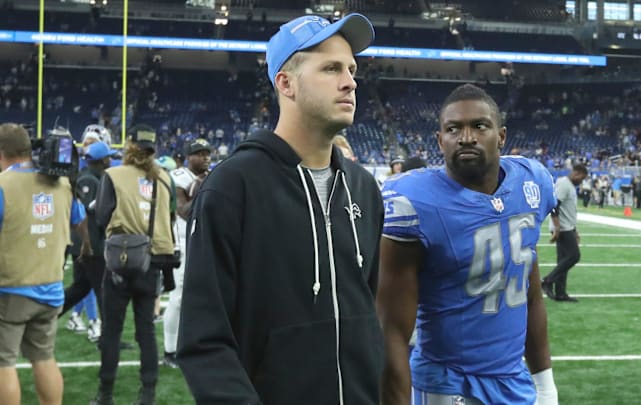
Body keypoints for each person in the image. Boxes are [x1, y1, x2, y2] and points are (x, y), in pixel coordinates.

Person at [177, 13, 384, 404]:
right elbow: (204, 340)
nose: (350, 82)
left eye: (352, 69)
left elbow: (367, 313)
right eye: (331, 68)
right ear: (285, 83)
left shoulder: (364, 189)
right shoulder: (232, 187)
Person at [378, 84, 559, 405]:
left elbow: (530, 294)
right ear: (440, 140)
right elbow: (391, 329)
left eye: (479, 125)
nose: (466, 137)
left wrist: (544, 383)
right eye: (453, 128)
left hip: (513, 380)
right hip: (447, 383)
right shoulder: (415, 200)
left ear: (501, 136)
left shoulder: (532, 181)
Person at [0, 123, 88, 405]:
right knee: (44, 358)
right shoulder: (62, 183)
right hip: (51, 286)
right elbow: (79, 220)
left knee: (3, 363)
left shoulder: (4, 185)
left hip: (11, 289)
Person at [92, 124, 176, 405]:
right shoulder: (164, 177)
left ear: (130, 146)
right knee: (146, 332)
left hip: (120, 260)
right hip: (151, 262)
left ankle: (105, 394)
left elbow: (102, 216)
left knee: (112, 331)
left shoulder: (113, 175)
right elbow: (170, 217)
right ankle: (148, 395)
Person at [162, 138, 212, 369]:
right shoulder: (178, 177)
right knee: (179, 296)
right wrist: (203, 184)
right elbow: (184, 211)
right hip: (182, 242)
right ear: (187, 157)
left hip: (204, 240)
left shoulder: (211, 174)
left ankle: (198, 344)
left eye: (207, 153)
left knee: (206, 296)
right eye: (199, 153)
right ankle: (170, 350)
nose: (205, 157)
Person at [61, 141, 117, 345]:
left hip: (84, 243)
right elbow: (89, 212)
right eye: (108, 157)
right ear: (102, 160)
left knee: (80, 288)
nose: (111, 160)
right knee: (104, 291)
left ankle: (48, 318)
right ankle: (109, 338)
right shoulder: (89, 181)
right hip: (90, 245)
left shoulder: (91, 178)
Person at [541, 164, 588, 303]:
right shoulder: (564, 184)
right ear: (576, 173)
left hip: (567, 227)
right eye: (582, 178)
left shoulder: (570, 186)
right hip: (562, 228)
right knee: (574, 256)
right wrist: (557, 228)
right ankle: (547, 281)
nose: (581, 181)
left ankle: (560, 293)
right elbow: (554, 206)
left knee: (563, 260)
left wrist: (575, 230)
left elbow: (569, 211)